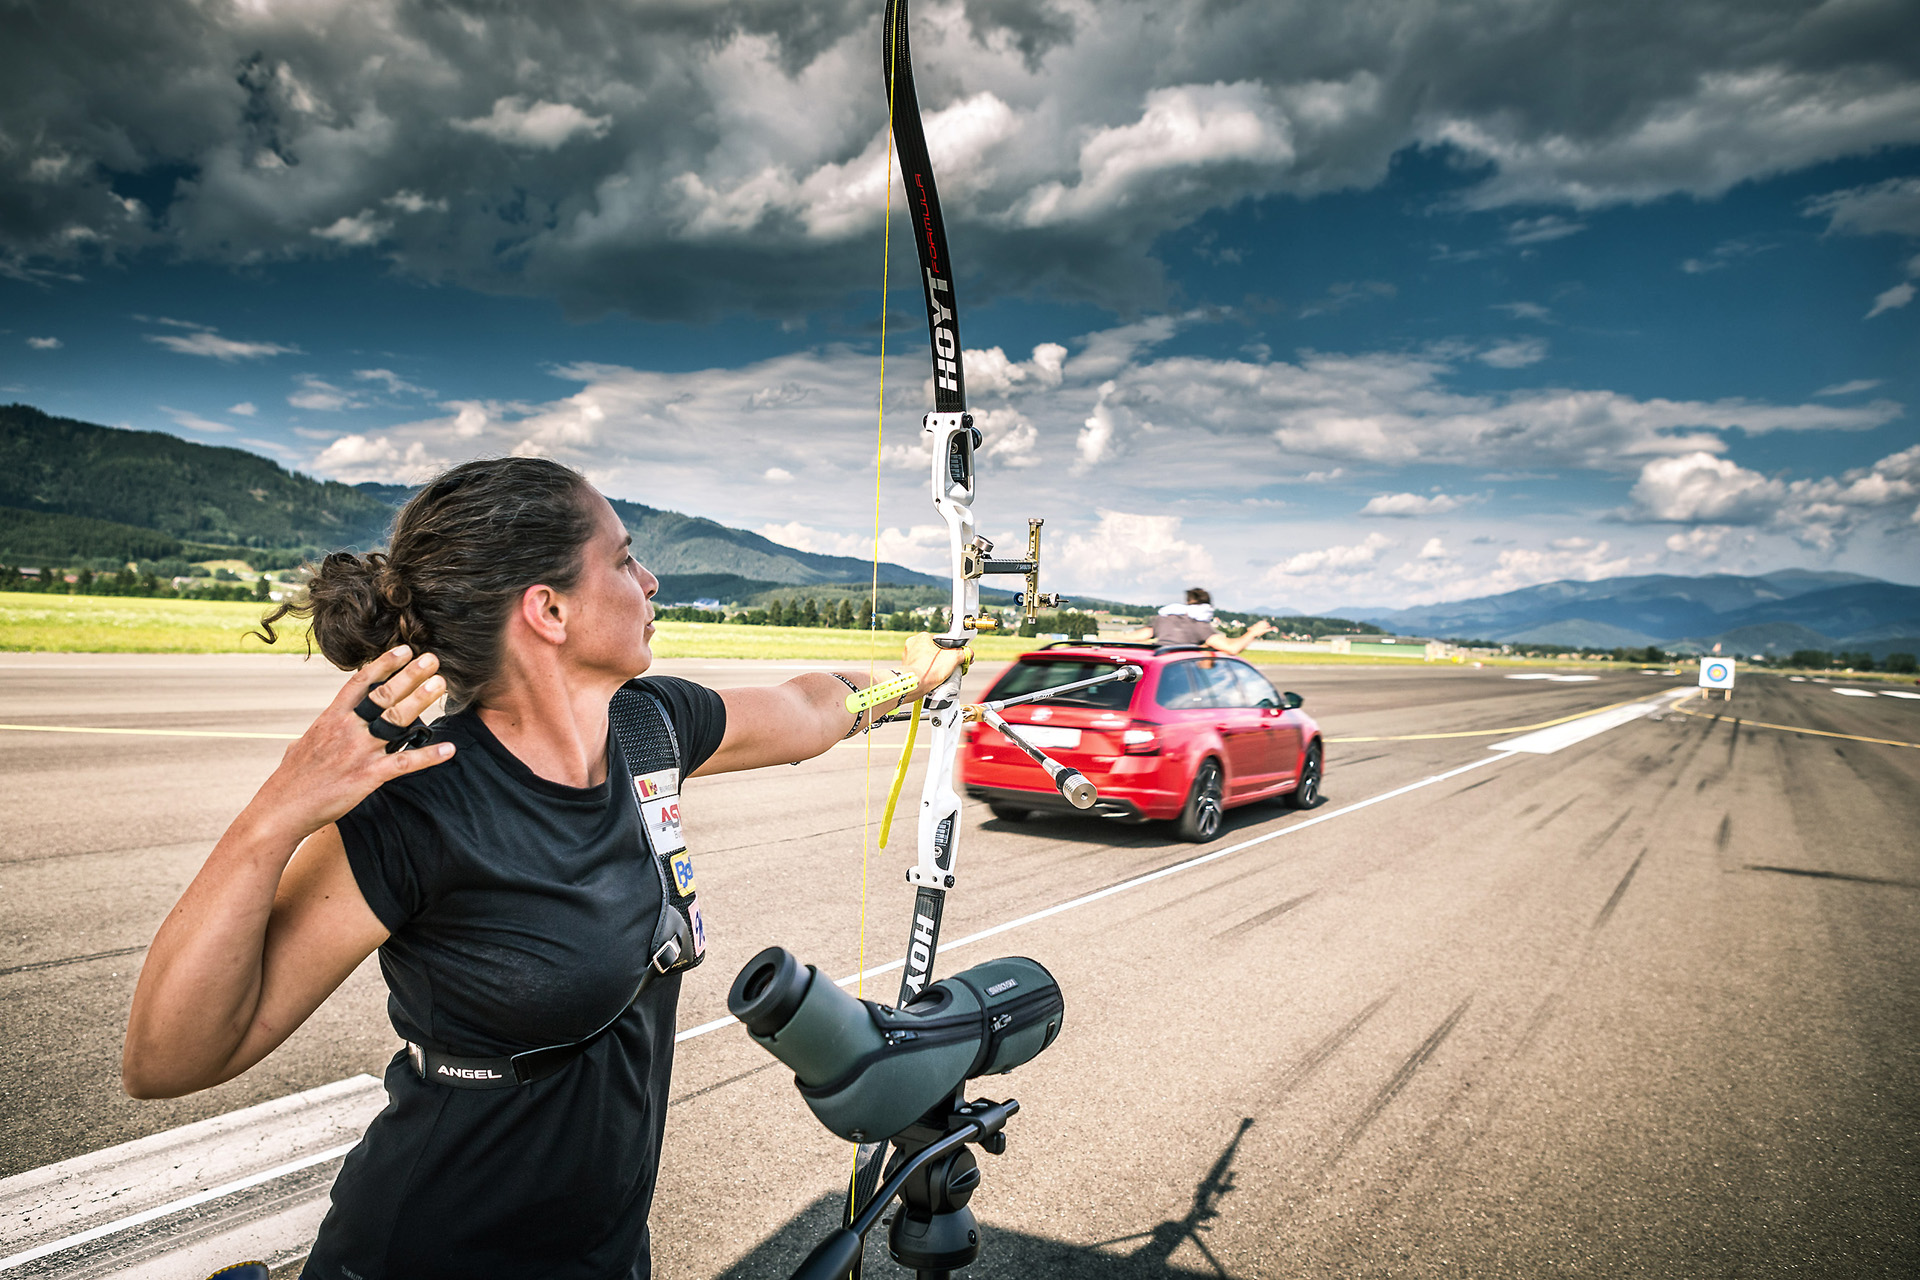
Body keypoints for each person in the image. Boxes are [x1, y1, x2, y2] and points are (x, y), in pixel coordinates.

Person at [120, 457, 965, 1280]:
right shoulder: (423, 802)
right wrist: (276, 815)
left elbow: (809, 707)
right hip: (431, 1248)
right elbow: (169, 1060)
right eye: (626, 557)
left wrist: (909, 682)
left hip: (602, 1252)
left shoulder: (648, 727)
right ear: (549, 610)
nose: (651, 581)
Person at [1121, 588, 1273, 654]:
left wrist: (1106, 641)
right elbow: (1231, 648)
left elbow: (1137, 637)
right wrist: (1252, 633)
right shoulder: (1199, 625)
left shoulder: (1164, 618)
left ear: (1188, 602)